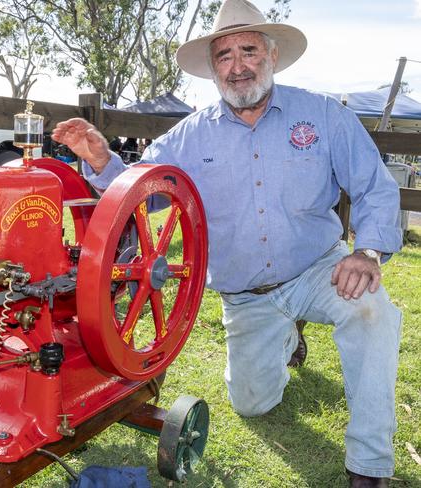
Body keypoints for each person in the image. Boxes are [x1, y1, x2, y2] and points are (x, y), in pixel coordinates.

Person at [52, 0, 402, 486]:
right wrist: (101, 157)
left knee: (371, 310)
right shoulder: (190, 136)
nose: (237, 66)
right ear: (214, 69)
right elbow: (144, 191)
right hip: (245, 293)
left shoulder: (323, 115)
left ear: (273, 56)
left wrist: (367, 252)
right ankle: (286, 336)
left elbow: (374, 186)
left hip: (316, 269)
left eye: (249, 51)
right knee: (253, 405)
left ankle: (368, 464)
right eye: (224, 56)